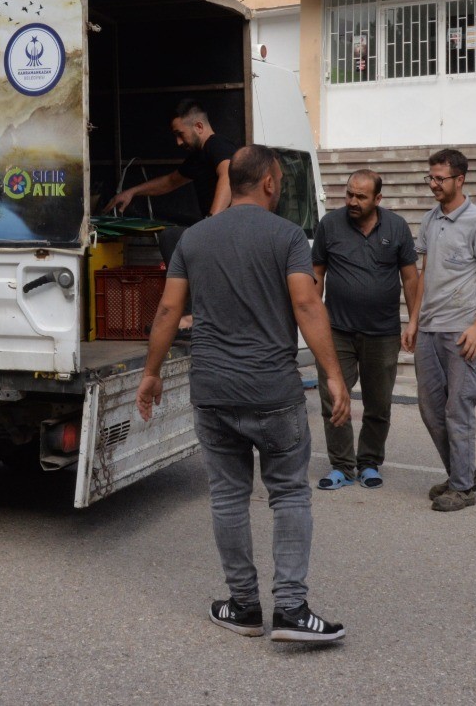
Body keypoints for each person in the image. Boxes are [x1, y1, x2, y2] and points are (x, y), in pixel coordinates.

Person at [136, 144, 351, 643]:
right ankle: (293, 610)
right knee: (290, 492)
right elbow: (306, 303)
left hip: (212, 389)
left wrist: (151, 373)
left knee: (229, 497)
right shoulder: (289, 236)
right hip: (272, 391)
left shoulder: (194, 238)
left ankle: (245, 607)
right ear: (271, 182)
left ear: (233, 182)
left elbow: (168, 311)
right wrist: (334, 375)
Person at [310, 169, 421, 491]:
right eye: (349, 194)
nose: (352, 201)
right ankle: (342, 466)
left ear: (377, 199)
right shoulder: (330, 225)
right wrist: (312, 320)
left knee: (378, 402)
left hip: (382, 332)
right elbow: (317, 274)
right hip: (336, 331)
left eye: (360, 197)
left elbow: (411, 278)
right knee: (334, 398)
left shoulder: (396, 227)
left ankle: (369, 461)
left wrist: (413, 321)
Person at [413, 148, 476, 513]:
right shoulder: (431, 220)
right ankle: (464, 472)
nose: (433, 184)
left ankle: (462, 487)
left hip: (462, 332)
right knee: (431, 410)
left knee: (457, 409)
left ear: (460, 179)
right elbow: (423, 272)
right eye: (430, 178)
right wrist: (413, 320)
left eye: (440, 178)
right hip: (429, 330)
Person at [103, 99, 238, 264]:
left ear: (199, 127)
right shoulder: (198, 157)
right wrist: (132, 192)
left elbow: (228, 174)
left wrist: (211, 221)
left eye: (180, 134)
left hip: (230, 234)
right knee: (171, 238)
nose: (178, 142)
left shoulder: (217, 144)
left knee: (169, 237)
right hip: (214, 233)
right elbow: (170, 181)